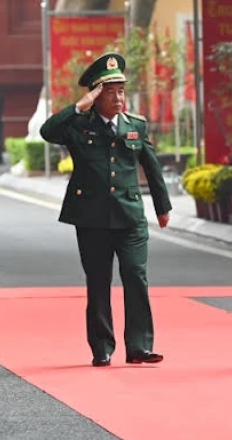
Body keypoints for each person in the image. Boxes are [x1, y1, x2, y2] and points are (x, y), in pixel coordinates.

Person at [40, 53, 172, 366]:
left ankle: (139, 346)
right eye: (109, 91)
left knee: (136, 276)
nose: (118, 97)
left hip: (130, 216)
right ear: (96, 95)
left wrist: (162, 207)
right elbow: (47, 131)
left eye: (121, 90)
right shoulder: (78, 126)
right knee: (98, 282)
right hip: (92, 218)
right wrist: (79, 106)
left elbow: (152, 168)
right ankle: (102, 346)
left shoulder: (135, 126)